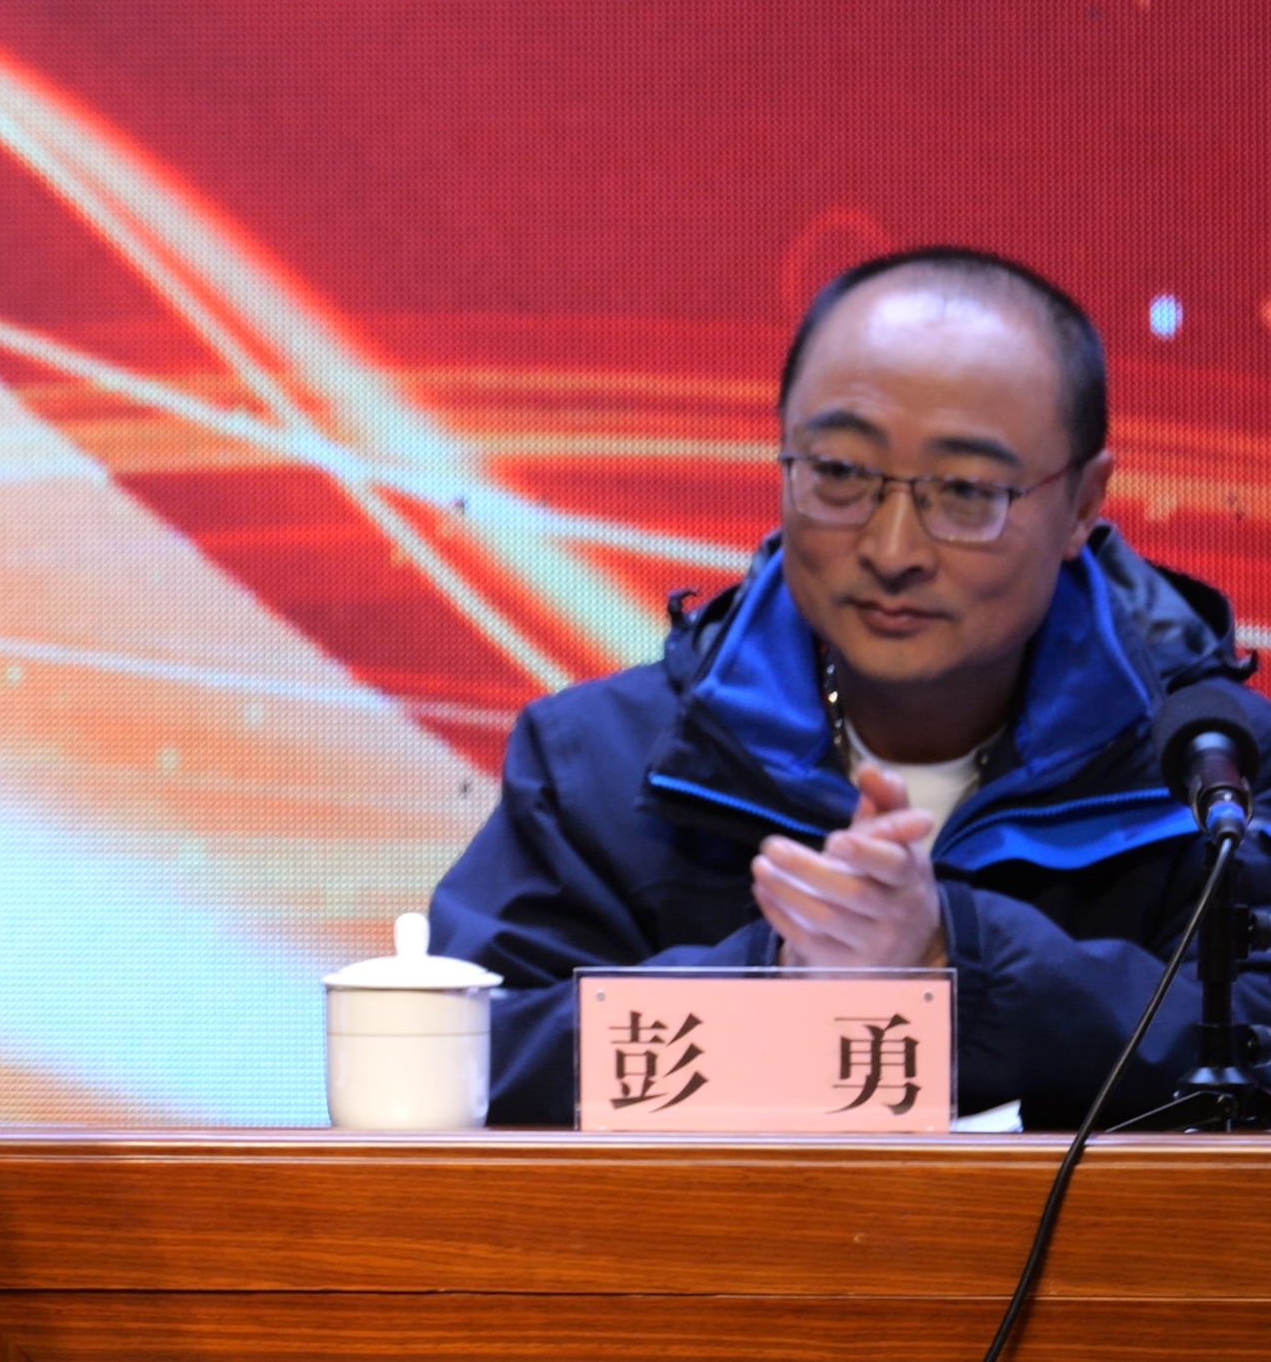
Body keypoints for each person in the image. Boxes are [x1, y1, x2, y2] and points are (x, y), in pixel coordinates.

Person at [435, 246, 1268, 1126]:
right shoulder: (599, 763)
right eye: (839, 474)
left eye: (965, 490)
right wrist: (779, 981)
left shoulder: (1216, 773)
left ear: (1085, 503)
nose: (893, 550)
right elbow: (462, 1060)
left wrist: (954, 955)